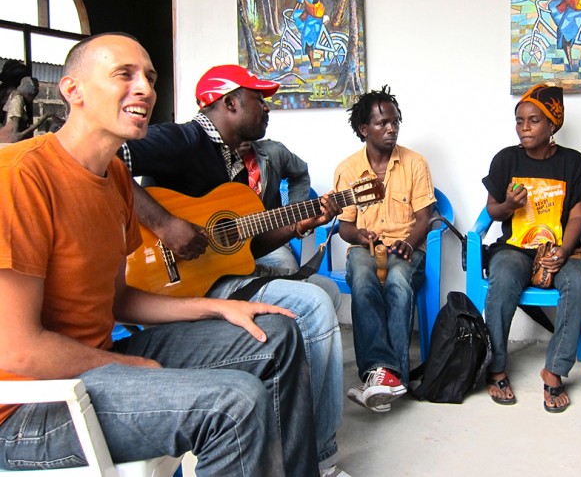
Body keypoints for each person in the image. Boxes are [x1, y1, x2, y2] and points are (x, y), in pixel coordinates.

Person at [0, 33, 317, 475]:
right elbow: (16, 350)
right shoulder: (19, 177)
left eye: (149, 77)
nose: (146, 89)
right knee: (235, 403)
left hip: (96, 364)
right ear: (73, 91)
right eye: (123, 75)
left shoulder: (112, 176)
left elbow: (119, 301)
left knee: (277, 333)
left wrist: (217, 308)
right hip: (28, 411)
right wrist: (129, 364)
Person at [120, 64, 348, 477]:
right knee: (313, 303)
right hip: (175, 285)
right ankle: (318, 458)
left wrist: (302, 222)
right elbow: (106, 159)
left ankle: (293, 435)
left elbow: (249, 244)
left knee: (327, 292)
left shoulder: (238, 169)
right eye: (259, 99)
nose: (267, 108)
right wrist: (165, 225)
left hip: (223, 275)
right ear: (228, 102)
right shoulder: (183, 138)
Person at [481, 84, 581, 412]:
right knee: (501, 278)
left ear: (552, 124)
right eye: (519, 121)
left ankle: (555, 370)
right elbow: (492, 211)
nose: (524, 128)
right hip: (515, 248)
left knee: (580, 280)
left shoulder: (572, 163)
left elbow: (577, 214)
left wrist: (564, 249)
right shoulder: (506, 159)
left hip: (558, 248)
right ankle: (496, 366)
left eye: (533, 121)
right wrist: (507, 205)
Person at [333, 85, 435, 412]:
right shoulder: (347, 170)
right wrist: (359, 236)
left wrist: (410, 242)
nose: (391, 129)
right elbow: (345, 227)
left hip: (407, 246)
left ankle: (392, 375)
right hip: (368, 247)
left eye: (395, 122)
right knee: (362, 279)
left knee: (397, 282)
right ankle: (379, 372)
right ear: (364, 129)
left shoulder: (414, 163)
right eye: (382, 124)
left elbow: (425, 216)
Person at [237, 138, 311, 277]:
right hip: (220, 251)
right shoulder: (200, 156)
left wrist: (293, 215)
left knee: (290, 276)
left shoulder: (272, 152)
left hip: (269, 238)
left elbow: (300, 174)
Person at [0, 76, 54, 143]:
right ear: (28, 93)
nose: (32, 98)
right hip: (9, 142)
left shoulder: (14, 95)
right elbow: (15, 136)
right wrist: (44, 117)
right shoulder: (18, 100)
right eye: (32, 95)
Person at [289, 0, 326, 68]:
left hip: (314, 19)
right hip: (314, 17)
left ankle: (312, 64)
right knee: (299, 20)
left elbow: (298, 4)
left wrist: (292, 14)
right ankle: (312, 61)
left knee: (307, 39)